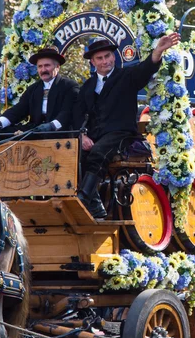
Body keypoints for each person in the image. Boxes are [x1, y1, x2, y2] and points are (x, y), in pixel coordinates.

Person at [73, 34, 181, 219]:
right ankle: (96, 205)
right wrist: (82, 136)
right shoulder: (87, 86)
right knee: (73, 153)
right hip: (96, 136)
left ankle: (82, 200)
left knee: (99, 152)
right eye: (100, 58)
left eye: (108, 56)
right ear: (93, 61)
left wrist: (158, 51)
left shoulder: (126, 76)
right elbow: (77, 114)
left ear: (114, 57)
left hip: (121, 134)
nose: (105, 61)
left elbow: (144, 70)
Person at [0, 48, 79, 133]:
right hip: (35, 131)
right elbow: (19, 110)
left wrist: (51, 126)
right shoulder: (33, 89)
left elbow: (67, 113)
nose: (43, 70)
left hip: (59, 132)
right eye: (40, 66)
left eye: (47, 65)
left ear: (57, 67)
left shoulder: (69, 86)